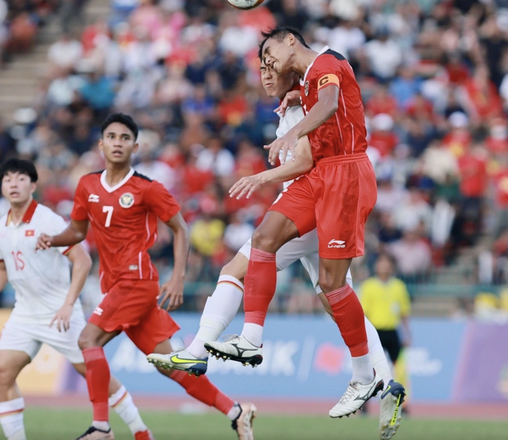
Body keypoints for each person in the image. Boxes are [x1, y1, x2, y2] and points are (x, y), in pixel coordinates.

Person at [148, 57, 405, 440]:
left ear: (290, 72)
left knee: (234, 270)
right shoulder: (298, 102)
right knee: (336, 297)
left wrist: (264, 176)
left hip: (305, 210)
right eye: (262, 70)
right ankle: (386, 381)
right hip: (319, 207)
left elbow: (304, 161)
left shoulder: (301, 106)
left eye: (271, 69)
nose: (265, 76)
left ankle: (201, 349)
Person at [203, 26, 397, 421]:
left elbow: (328, 104)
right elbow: (317, 100)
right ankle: (251, 338)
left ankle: (364, 374)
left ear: (291, 40)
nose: (268, 62)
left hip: (345, 175)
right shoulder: (307, 82)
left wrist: (291, 131)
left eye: (270, 52)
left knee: (331, 286)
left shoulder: (327, 62)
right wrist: (297, 96)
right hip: (320, 176)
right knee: (263, 236)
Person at [36, 114, 256, 440]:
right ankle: (236, 411)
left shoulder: (147, 188)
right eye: (111, 136)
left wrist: (178, 276)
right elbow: (77, 230)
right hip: (116, 284)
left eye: (125, 138)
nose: (117, 142)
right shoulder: (88, 185)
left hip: (135, 281)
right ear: (100, 144)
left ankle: (100, 427)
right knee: (169, 365)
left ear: (135, 146)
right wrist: (53, 240)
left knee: (87, 341)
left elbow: (181, 228)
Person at [0, 159, 153, 440]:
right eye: (8, 179)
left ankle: (141, 431)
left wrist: (67, 304)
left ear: (33, 185)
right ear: (2, 186)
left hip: (59, 313)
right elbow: (3, 269)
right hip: (24, 314)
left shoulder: (48, 220)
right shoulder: (0, 227)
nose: (14, 184)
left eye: (21, 178)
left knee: (94, 374)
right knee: (2, 373)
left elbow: (83, 261)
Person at [360, 253, 412, 371]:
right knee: (374, 366)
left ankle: (399, 389)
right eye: (381, 263)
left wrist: (407, 334)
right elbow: (363, 314)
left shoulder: (399, 286)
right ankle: (375, 389)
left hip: (393, 331)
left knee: (398, 366)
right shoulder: (368, 286)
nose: (384, 266)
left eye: (387, 263)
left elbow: (404, 313)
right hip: (375, 331)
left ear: (392, 266)